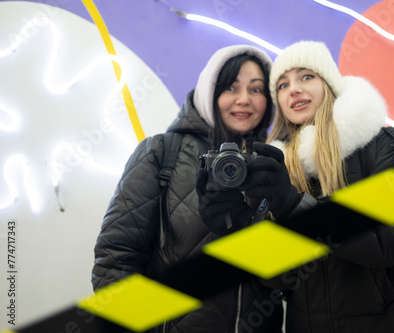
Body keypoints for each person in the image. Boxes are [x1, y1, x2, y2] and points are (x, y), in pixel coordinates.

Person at [241, 41, 394, 332]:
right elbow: (276, 278)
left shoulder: (387, 145)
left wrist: (296, 206)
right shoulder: (279, 170)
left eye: (306, 76)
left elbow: (390, 241)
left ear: (328, 84)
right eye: (282, 85)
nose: (294, 89)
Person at [92, 45, 283, 332]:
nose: (244, 100)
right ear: (209, 92)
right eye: (230, 88)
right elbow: (115, 260)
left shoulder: (276, 165)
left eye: (256, 90)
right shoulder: (161, 153)